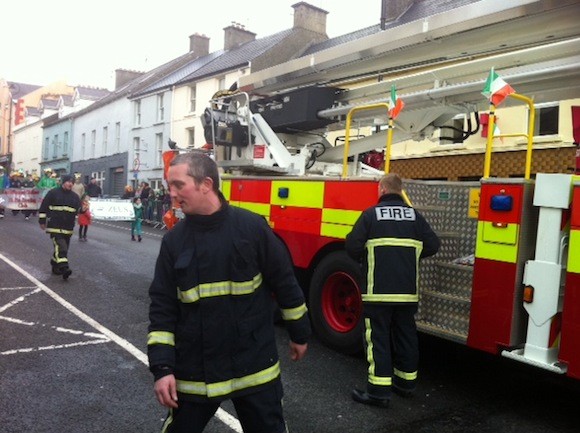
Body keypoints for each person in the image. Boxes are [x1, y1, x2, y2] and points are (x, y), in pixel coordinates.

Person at [147, 152, 310, 433]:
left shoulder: (252, 228)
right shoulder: (174, 241)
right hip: (196, 372)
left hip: (254, 369)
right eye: (169, 186)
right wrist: (162, 369)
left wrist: (300, 333)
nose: (171, 194)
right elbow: (162, 308)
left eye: (178, 185)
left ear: (206, 184)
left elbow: (284, 282)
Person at [345, 173, 440, 408]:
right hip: (407, 293)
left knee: (377, 339)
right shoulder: (414, 216)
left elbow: (352, 246)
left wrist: (366, 259)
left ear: (382, 190)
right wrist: (410, 256)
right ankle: (405, 385)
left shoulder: (371, 215)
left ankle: (378, 393)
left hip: (377, 292)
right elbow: (434, 245)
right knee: (406, 336)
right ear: (400, 191)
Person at [38, 174, 81, 280]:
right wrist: (42, 220)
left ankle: (55, 264)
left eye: (72, 182)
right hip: (55, 226)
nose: (70, 184)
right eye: (68, 181)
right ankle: (64, 269)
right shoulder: (53, 193)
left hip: (68, 228)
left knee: (62, 249)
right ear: (63, 182)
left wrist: (83, 209)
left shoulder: (75, 197)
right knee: (62, 248)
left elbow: (78, 210)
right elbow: (43, 207)